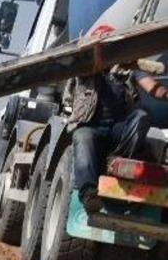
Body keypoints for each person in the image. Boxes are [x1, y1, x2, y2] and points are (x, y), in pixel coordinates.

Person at [69, 26, 168, 213]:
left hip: (119, 130)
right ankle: (89, 193)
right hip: (92, 127)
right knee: (82, 136)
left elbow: (154, 89)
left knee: (142, 116)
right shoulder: (86, 68)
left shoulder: (127, 68)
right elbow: (85, 64)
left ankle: (121, 159)